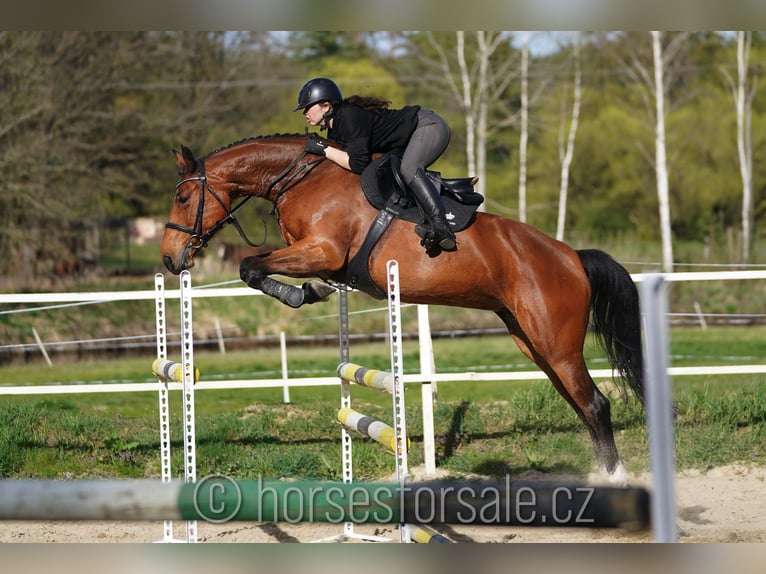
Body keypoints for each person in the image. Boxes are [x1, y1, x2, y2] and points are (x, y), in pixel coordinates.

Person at [293, 77, 456, 251]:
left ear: (326, 106)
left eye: (307, 107)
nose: (305, 113)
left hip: (427, 126)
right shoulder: (335, 129)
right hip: (406, 142)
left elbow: (358, 164)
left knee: (409, 169)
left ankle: (442, 227)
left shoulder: (349, 116)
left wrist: (325, 149)